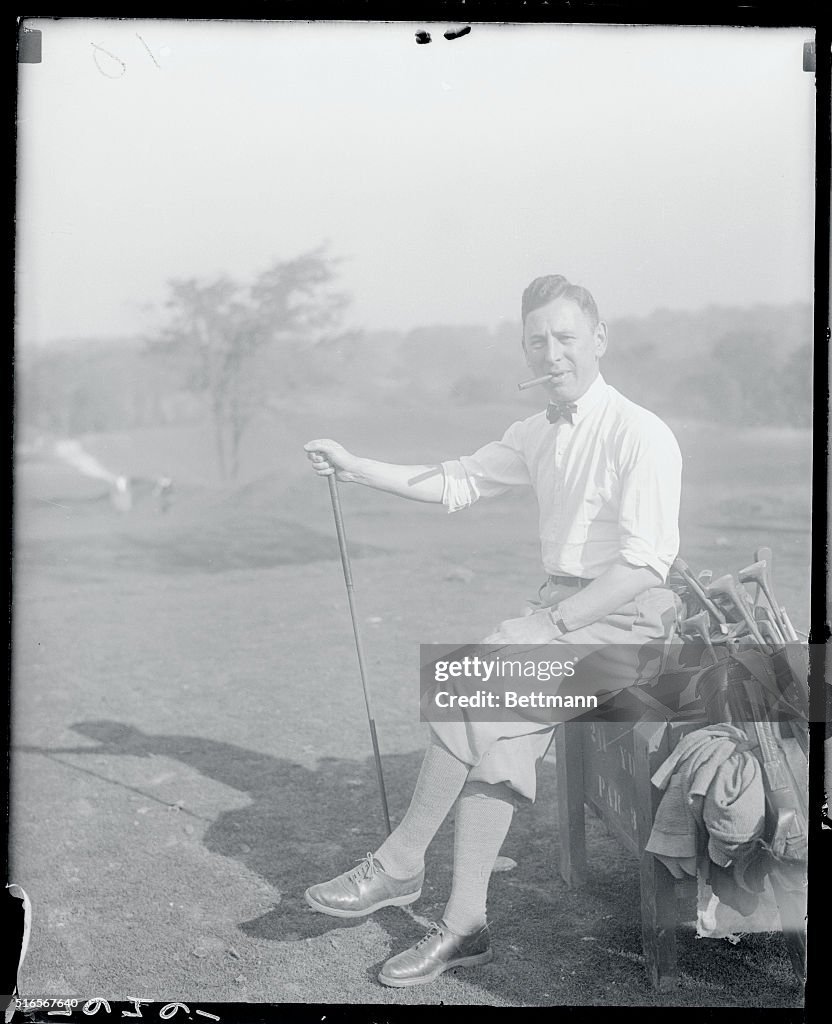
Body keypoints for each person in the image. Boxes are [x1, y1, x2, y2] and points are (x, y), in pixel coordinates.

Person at [303, 274, 683, 988]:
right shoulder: (536, 431)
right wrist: (356, 469)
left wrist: (551, 623)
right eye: (537, 341)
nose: (553, 354)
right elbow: (455, 482)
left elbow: (642, 568)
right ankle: (465, 925)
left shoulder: (642, 433)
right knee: (499, 735)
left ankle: (400, 863)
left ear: (599, 339)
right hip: (566, 618)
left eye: (566, 337)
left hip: (631, 632)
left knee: (470, 682)